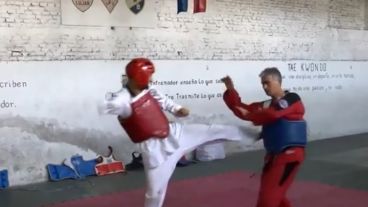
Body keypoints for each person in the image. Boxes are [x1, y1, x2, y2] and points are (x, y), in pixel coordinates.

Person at [103, 57, 253, 207]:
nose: (152, 79)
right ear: (140, 76)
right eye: (149, 76)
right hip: (157, 152)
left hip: (177, 134)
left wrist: (178, 109)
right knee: (154, 195)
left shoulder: (150, 91)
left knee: (214, 130)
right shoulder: (121, 99)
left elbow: (167, 103)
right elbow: (107, 105)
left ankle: (255, 135)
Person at [221, 67, 307, 207]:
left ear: (277, 81)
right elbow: (242, 109)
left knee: (268, 199)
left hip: (289, 156)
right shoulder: (266, 104)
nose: (265, 87)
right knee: (275, 196)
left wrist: (251, 116)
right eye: (262, 84)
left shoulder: (292, 98)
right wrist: (230, 90)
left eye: (267, 82)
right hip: (273, 157)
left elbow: (273, 114)